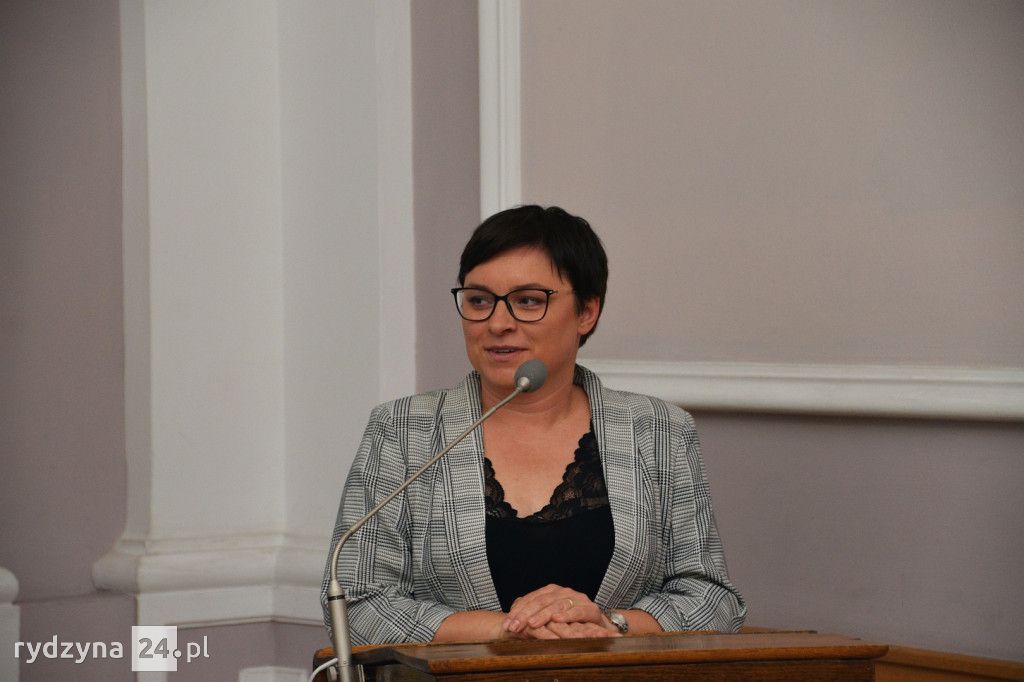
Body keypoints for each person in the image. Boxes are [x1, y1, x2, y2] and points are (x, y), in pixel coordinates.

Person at [321, 205, 745, 644]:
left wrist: (608, 624)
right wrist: (509, 631)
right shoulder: (402, 430)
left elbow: (712, 599)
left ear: (587, 312)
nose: (497, 323)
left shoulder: (658, 430)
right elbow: (356, 603)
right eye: (479, 301)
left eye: (528, 301)